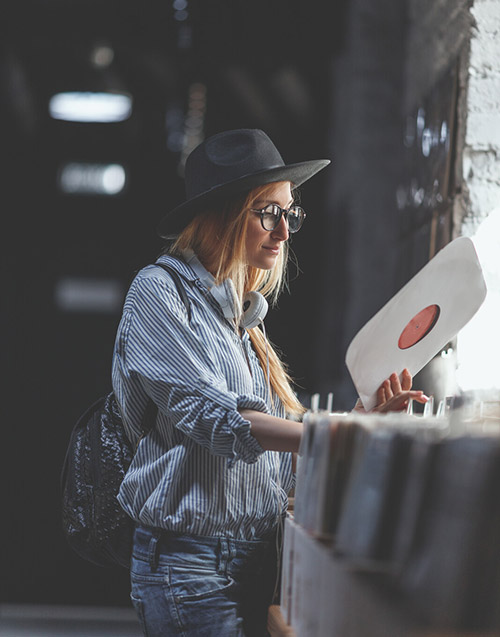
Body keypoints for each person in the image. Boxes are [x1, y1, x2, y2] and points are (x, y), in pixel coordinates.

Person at [111, 128, 428, 636]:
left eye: (289, 213)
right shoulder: (158, 292)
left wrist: (359, 423)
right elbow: (216, 416)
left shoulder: (245, 319)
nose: (283, 232)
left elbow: (279, 457)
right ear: (222, 215)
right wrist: (337, 437)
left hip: (258, 560)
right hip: (189, 566)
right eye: (268, 212)